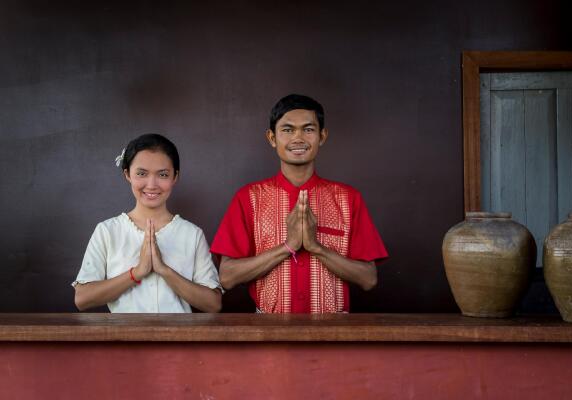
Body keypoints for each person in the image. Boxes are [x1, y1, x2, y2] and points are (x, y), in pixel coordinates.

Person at [211, 94, 388, 313]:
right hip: (269, 335)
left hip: (333, 335)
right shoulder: (249, 198)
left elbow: (369, 279)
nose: (298, 138)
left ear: (322, 136)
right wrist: (288, 246)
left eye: (308, 129)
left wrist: (316, 247)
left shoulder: (348, 198)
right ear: (272, 137)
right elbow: (227, 277)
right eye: (287, 129)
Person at [73, 134, 222, 313]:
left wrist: (164, 270)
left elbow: (213, 304)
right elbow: (82, 298)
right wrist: (137, 272)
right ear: (127, 174)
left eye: (163, 174)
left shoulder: (192, 234)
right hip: (124, 339)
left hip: (178, 339)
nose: (151, 185)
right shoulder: (107, 231)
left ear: (175, 177)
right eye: (142, 173)